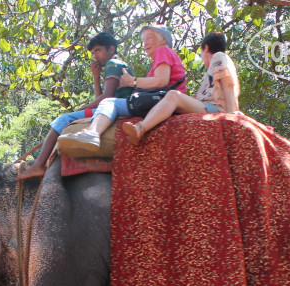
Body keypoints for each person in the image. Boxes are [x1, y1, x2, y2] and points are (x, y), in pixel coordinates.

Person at [16, 32, 135, 180]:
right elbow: (101, 99)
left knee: (64, 119)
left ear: (111, 49)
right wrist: (95, 77)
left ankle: (39, 165)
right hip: (112, 108)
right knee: (67, 118)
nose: (95, 56)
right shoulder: (117, 65)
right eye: (93, 53)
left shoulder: (113, 63)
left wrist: (81, 109)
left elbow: (107, 97)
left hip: (116, 109)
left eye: (98, 50)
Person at [57, 25, 187, 152]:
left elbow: (161, 81)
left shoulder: (162, 50)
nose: (145, 44)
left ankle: (92, 133)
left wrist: (133, 81)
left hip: (162, 101)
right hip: (162, 100)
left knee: (108, 103)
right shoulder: (163, 57)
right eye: (143, 40)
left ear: (163, 40)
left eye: (149, 38)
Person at [121, 32, 240, 145]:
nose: (202, 57)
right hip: (209, 106)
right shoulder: (213, 68)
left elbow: (228, 84)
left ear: (206, 48)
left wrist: (231, 115)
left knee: (173, 95)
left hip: (216, 107)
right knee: (174, 98)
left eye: (201, 53)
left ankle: (141, 128)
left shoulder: (218, 56)